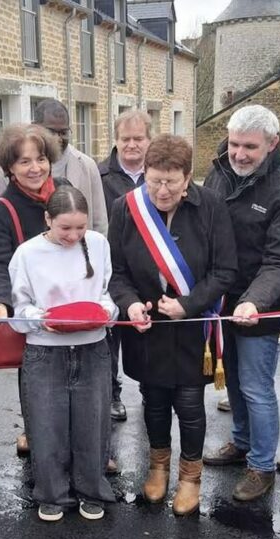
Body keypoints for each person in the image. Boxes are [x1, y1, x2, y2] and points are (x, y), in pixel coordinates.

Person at [109, 134, 237, 516]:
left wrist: (188, 304)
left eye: (171, 182)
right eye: (154, 181)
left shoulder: (211, 206)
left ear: (188, 177)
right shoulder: (125, 208)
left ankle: (190, 478)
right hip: (148, 326)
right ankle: (158, 467)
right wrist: (129, 305)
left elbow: (225, 270)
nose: (161, 191)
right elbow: (116, 272)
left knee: (189, 403)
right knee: (155, 401)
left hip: (191, 326)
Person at [201, 105, 280, 502]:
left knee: (255, 387)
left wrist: (254, 302)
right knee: (231, 378)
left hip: (258, 306)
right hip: (220, 299)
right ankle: (241, 441)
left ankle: (261, 466)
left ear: (272, 143)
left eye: (250, 146)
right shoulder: (219, 168)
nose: (240, 154)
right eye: (234, 144)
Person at [10, 185, 118, 521]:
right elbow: (20, 307)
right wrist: (40, 320)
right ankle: (51, 494)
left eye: (80, 228)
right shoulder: (27, 253)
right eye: (64, 228)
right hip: (45, 350)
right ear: (47, 220)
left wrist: (106, 313)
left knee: (93, 423)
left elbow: (105, 294)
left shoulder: (99, 244)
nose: (73, 236)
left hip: (93, 346)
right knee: (46, 424)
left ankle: (91, 489)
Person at [0, 124, 66, 457]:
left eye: (41, 159)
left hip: (70, 305)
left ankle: (85, 443)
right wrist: (0, 301)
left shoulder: (65, 191)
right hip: (33, 313)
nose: (35, 168)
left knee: (80, 380)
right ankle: (37, 436)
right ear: (10, 169)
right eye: (24, 162)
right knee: (36, 381)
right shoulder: (2, 209)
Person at [99, 110, 152, 426]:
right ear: (116, 141)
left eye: (138, 139)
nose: (131, 145)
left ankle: (150, 388)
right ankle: (112, 393)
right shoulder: (99, 175)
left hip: (151, 270)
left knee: (148, 332)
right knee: (109, 337)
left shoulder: (158, 174)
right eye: (125, 139)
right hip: (112, 268)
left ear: (149, 140)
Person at [0, 99, 107, 234]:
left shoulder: (87, 166)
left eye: (63, 132)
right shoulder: (6, 171)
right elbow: (0, 219)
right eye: (51, 132)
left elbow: (100, 223)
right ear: (35, 127)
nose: (58, 138)